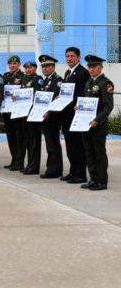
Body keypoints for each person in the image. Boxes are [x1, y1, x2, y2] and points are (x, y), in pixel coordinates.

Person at [79, 55, 114, 191]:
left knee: (99, 153)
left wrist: (97, 120)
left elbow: (108, 107)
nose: (92, 69)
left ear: (101, 67)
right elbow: (87, 103)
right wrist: (79, 107)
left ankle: (102, 181)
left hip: (98, 125)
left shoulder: (105, 83)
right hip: (86, 123)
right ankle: (93, 179)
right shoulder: (89, 83)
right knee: (89, 152)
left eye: (95, 66)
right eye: (90, 66)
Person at [60, 47, 91, 183]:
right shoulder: (68, 72)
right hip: (67, 115)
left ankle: (80, 174)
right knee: (70, 145)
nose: (69, 59)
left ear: (78, 57)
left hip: (75, 114)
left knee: (78, 145)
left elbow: (80, 94)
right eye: (67, 56)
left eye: (72, 56)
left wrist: (64, 103)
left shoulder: (82, 73)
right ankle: (73, 171)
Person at [38, 55, 64, 179]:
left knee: (53, 144)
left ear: (53, 66)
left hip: (53, 117)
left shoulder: (58, 81)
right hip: (45, 116)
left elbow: (58, 100)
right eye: (43, 66)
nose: (45, 69)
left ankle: (53, 170)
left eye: (47, 66)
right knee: (51, 144)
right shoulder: (46, 80)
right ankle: (55, 169)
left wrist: (50, 113)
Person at [2, 56, 26, 171]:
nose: (12, 65)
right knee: (10, 136)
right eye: (10, 63)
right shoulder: (5, 76)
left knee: (19, 137)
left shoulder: (23, 76)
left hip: (17, 112)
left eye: (15, 63)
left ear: (19, 64)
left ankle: (19, 162)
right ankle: (13, 159)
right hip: (6, 111)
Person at [20, 61, 43, 175]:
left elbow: (40, 95)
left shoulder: (38, 79)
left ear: (35, 68)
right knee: (28, 140)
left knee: (34, 140)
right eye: (26, 68)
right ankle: (29, 164)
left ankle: (34, 166)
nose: (28, 70)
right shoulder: (24, 79)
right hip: (24, 113)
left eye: (31, 68)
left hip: (34, 114)